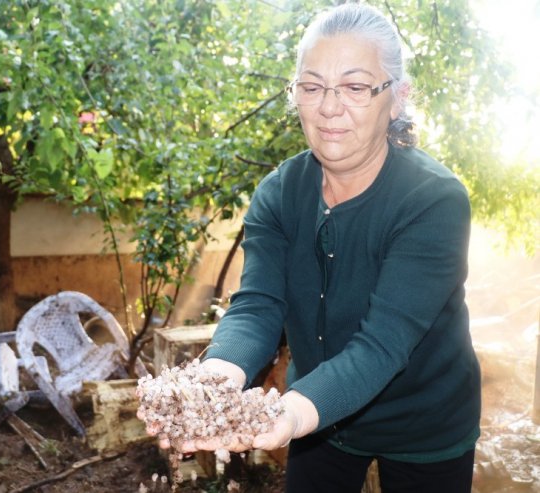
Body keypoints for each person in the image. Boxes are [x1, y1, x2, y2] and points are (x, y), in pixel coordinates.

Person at [145, 3, 481, 492]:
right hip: (319, 415)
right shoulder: (279, 193)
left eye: (355, 86)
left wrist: (290, 413)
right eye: (312, 86)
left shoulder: (433, 200)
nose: (329, 106)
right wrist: (215, 380)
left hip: (422, 419)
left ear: (397, 97)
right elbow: (259, 304)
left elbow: (383, 344)